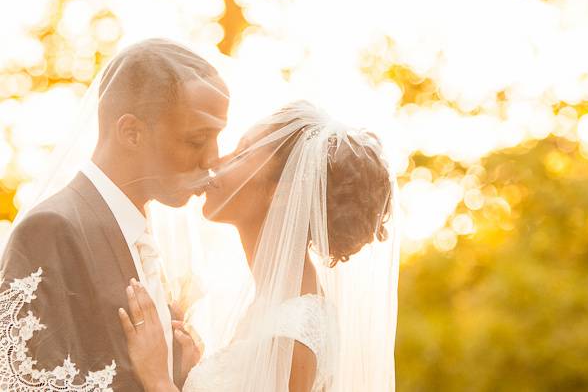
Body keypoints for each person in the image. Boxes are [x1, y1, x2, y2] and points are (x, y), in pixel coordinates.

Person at [118, 100, 400, 392]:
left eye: (241, 154)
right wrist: (193, 373)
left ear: (281, 193)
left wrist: (157, 378)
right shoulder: (276, 306)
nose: (216, 161)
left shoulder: (294, 332)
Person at [0, 39, 228, 391]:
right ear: (131, 133)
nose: (213, 159)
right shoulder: (52, 230)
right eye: (197, 141)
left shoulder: (143, 237)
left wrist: (174, 377)